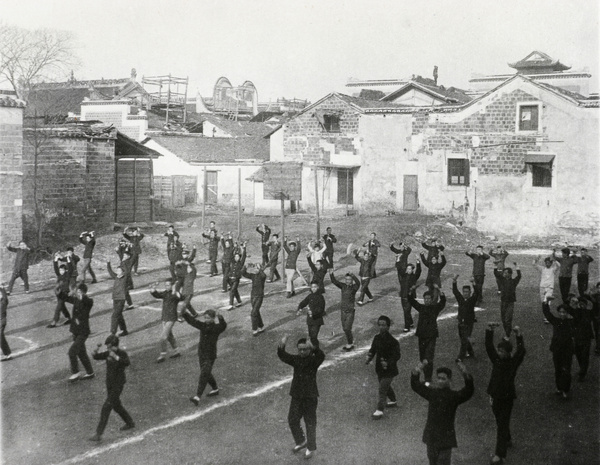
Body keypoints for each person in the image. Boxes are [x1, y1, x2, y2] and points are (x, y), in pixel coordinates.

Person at [410, 359, 474, 465]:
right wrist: (417, 370)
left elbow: (468, 391)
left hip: (443, 439)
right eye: (438, 378)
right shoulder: (434, 393)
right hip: (434, 437)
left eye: (443, 379)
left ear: (449, 380)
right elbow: (415, 385)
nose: (440, 381)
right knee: (432, 461)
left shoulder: (452, 396)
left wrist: (465, 374)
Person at [277, 335, 325, 460]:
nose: (302, 352)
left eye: (305, 349)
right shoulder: (296, 359)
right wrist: (282, 345)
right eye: (300, 349)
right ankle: (301, 441)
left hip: (310, 396)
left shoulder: (314, 360)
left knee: (310, 422)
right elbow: (283, 356)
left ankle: (310, 447)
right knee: (292, 419)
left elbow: (321, 356)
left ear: (309, 350)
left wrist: (314, 348)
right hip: (297, 395)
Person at [485, 323, 526, 464]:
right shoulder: (496, 360)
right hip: (494, 395)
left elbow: (521, 351)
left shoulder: (513, 362)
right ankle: (507, 438)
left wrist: (519, 335)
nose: (500, 353)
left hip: (507, 397)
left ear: (508, 352)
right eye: (499, 351)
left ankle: (499, 455)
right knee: (500, 420)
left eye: (502, 351)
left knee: (501, 424)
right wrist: (489, 330)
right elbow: (489, 347)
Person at [89, 335, 135, 441]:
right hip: (109, 384)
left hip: (118, 384)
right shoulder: (109, 353)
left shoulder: (121, 353)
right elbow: (95, 356)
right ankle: (130, 422)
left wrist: (116, 357)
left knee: (107, 407)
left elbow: (127, 362)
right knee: (116, 406)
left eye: (110, 347)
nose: (108, 349)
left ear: (115, 345)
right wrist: (96, 348)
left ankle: (98, 434)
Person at [182, 309, 227, 405]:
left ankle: (198, 396)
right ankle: (215, 389)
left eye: (208, 318)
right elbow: (193, 321)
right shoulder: (206, 326)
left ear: (213, 318)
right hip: (202, 353)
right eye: (205, 318)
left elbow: (223, 326)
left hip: (209, 355)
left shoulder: (214, 327)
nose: (206, 320)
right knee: (206, 372)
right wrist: (185, 313)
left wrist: (221, 318)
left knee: (204, 373)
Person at [408, 285, 447, 383]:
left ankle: (428, 378)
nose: (427, 300)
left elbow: (443, 301)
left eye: (429, 299)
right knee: (422, 357)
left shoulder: (435, 308)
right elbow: (411, 301)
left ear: (432, 299)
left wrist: (439, 290)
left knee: (428, 358)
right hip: (422, 336)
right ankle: (426, 377)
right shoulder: (421, 307)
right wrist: (411, 290)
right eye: (425, 299)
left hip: (431, 336)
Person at [366, 315, 401, 419]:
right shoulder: (376, 338)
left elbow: (397, 356)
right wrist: (369, 357)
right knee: (385, 386)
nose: (381, 327)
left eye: (384, 325)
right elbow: (373, 349)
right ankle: (393, 400)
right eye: (380, 325)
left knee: (382, 389)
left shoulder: (393, 341)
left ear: (388, 326)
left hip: (389, 370)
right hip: (380, 369)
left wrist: (388, 363)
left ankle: (379, 410)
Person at [542, 299, 574, 399]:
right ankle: (559, 387)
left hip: (567, 350)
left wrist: (574, 306)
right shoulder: (556, 321)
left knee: (566, 370)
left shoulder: (571, 322)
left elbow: (578, 316)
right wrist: (546, 302)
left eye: (564, 312)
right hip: (557, 349)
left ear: (567, 313)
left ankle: (565, 389)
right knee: (558, 369)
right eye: (560, 312)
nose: (562, 314)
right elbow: (547, 314)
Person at [64, 283, 95, 382]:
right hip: (76, 331)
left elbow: (85, 300)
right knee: (82, 353)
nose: (76, 293)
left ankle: (75, 373)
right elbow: (66, 298)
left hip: (83, 332)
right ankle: (90, 372)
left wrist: (79, 294)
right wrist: (58, 292)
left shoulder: (88, 301)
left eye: (78, 292)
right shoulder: (76, 300)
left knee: (72, 352)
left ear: (83, 292)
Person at [151, 278, 183, 363]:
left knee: (163, 337)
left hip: (171, 317)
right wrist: (153, 288)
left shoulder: (175, 294)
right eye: (166, 285)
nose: (166, 287)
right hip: (165, 316)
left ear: (172, 286)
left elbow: (180, 297)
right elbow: (157, 295)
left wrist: (175, 290)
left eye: (168, 285)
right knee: (169, 336)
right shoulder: (166, 293)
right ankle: (176, 350)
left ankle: (162, 354)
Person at [329, 269, 360, 350]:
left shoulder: (354, 287)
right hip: (343, 310)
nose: (347, 281)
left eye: (349, 279)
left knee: (347, 328)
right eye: (346, 279)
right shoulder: (343, 286)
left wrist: (353, 275)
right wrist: (331, 274)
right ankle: (350, 341)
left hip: (350, 311)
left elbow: (358, 283)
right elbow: (334, 281)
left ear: (352, 280)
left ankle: (350, 343)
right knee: (345, 328)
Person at [566, 295, 594, 381]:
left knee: (584, 355)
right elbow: (568, 307)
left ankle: (582, 373)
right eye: (580, 304)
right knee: (578, 354)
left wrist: (590, 298)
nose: (581, 306)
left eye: (583, 304)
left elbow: (596, 307)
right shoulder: (575, 312)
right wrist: (571, 301)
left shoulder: (589, 313)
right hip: (577, 337)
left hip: (586, 338)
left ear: (586, 305)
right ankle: (582, 368)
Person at [452, 275, 479, 362]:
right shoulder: (460, 299)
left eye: (467, 292)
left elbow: (477, 292)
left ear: (470, 292)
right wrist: (454, 281)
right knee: (464, 339)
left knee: (464, 340)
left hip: (469, 322)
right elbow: (455, 291)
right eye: (464, 292)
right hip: (461, 323)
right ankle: (471, 353)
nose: (465, 293)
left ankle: (460, 357)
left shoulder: (472, 300)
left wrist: (473, 283)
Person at [493, 263, 521, 339]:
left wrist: (517, 267)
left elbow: (519, 276)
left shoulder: (514, 281)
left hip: (510, 303)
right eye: (504, 273)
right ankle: (507, 332)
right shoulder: (502, 280)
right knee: (503, 320)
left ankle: (507, 335)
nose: (504, 274)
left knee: (508, 319)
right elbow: (496, 273)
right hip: (503, 302)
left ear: (510, 274)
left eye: (506, 273)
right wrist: (495, 265)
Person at [297, 283, 326, 349]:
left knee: (314, 337)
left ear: (318, 287)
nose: (313, 288)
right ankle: (314, 350)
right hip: (310, 320)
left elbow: (321, 309)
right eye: (312, 287)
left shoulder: (320, 297)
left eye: (315, 287)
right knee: (311, 336)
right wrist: (300, 308)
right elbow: (303, 302)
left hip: (317, 319)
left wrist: (313, 312)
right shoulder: (310, 296)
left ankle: (316, 351)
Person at [242, 263, 267, 335]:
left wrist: (260, 269)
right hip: (253, 296)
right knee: (256, 312)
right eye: (255, 268)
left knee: (253, 313)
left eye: (257, 268)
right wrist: (245, 267)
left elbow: (263, 275)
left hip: (259, 296)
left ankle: (255, 329)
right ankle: (261, 326)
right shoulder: (253, 276)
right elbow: (243, 273)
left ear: (260, 269)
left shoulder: (262, 276)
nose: (255, 269)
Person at [48, 255, 72, 328]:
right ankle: (69, 318)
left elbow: (70, 268)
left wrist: (68, 259)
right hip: (59, 293)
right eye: (60, 270)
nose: (61, 272)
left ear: (65, 270)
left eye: (62, 270)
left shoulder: (67, 275)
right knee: (62, 306)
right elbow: (55, 268)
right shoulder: (59, 275)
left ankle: (54, 321)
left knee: (58, 307)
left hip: (64, 293)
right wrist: (55, 260)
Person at [106, 262, 129, 336]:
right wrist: (108, 263)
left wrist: (124, 262)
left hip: (121, 299)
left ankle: (113, 332)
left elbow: (127, 271)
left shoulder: (125, 278)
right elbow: (110, 271)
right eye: (117, 270)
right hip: (115, 298)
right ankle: (124, 330)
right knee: (119, 315)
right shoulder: (116, 277)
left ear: (123, 272)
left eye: (119, 271)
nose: (118, 272)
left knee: (115, 315)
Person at [399, 261, 421, 332]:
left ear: (412, 270)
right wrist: (398, 260)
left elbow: (419, 271)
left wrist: (418, 262)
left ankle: (407, 327)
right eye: (407, 269)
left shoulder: (414, 276)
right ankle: (411, 322)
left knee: (406, 311)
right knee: (406, 311)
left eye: (410, 269)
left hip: (409, 297)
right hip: (403, 296)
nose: (408, 270)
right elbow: (399, 269)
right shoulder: (404, 275)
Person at [227, 244, 247, 309]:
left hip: (236, 280)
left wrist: (244, 248)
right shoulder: (232, 262)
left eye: (238, 257)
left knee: (232, 291)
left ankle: (231, 304)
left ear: (239, 258)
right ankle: (239, 301)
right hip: (230, 279)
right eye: (235, 257)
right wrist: (234, 248)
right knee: (235, 291)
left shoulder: (241, 263)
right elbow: (230, 256)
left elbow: (244, 256)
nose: (236, 258)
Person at [1, 284, 12, 361]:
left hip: (1, 322)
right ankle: (7, 353)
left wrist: (2, 289)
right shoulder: (3, 302)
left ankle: (7, 353)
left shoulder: (3, 303)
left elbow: (5, 298)